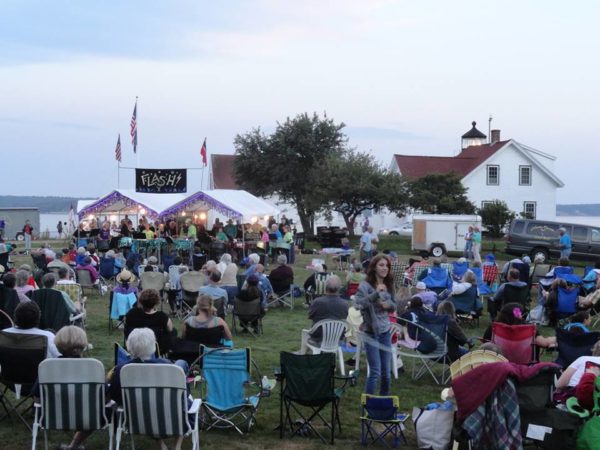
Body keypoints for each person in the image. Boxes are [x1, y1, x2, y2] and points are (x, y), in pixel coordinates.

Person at [107, 328, 189, 450]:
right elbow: (184, 396)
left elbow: (114, 395)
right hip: (172, 417)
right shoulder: (168, 367)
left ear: (129, 346)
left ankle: (160, 443)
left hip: (138, 417)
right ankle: (177, 446)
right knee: (181, 369)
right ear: (153, 345)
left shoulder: (121, 369)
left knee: (149, 405)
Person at [354, 254, 396, 395]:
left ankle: (384, 405)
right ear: (374, 267)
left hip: (385, 332)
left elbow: (394, 306)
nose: (385, 268)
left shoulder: (389, 284)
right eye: (381, 265)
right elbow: (358, 304)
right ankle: (368, 408)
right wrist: (375, 294)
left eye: (387, 266)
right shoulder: (365, 286)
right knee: (375, 373)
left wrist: (387, 305)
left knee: (386, 373)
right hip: (371, 332)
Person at [300, 275, 349, 354]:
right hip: (337, 340)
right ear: (339, 288)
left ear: (326, 287)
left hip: (318, 339)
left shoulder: (317, 302)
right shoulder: (345, 304)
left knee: (307, 332)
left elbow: (310, 316)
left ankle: (302, 354)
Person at [483, 302, 556, 349]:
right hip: (525, 366)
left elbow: (485, 342)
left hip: (500, 364)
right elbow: (544, 343)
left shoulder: (494, 327)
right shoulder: (528, 329)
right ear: (520, 316)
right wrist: (557, 338)